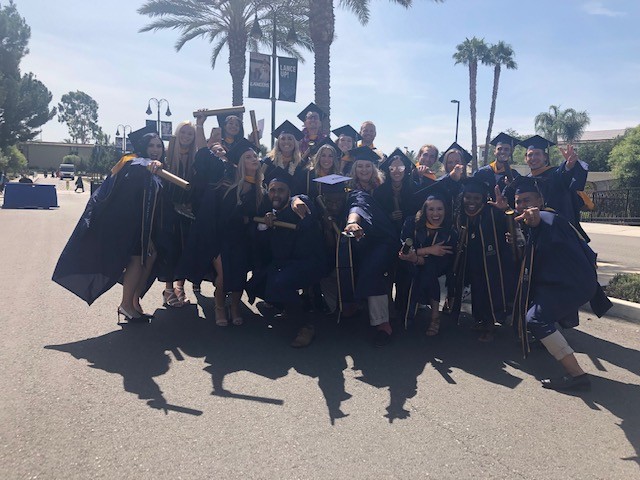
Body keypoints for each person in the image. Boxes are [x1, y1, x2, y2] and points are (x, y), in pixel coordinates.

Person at [506, 176, 610, 390]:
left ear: (540, 201)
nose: (522, 205)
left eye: (527, 200)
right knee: (535, 310)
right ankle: (544, 340)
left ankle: (577, 376)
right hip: (563, 281)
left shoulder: (548, 219)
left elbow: (543, 223)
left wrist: (535, 220)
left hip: (571, 284)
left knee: (536, 318)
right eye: (518, 201)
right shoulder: (534, 223)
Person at [52, 126, 164, 323]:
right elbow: (129, 185)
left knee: (147, 259)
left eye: (159, 146)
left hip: (143, 227)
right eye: (151, 145)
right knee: (137, 261)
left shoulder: (154, 168)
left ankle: (132, 302)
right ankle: (126, 304)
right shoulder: (133, 163)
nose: (155, 149)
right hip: (130, 226)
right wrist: (149, 164)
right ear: (143, 147)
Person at [247, 178, 328, 347]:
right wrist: (265, 226)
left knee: (280, 283)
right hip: (285, 264)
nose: (276, 194)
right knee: (256, 285)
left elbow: (302, 203)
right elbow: (266, 247)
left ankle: (306, 326)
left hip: (310, 262)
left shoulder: (298, 204)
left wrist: (296, 201)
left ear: (289, 192)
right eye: (272, 190)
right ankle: (288, 307)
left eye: (281, 190)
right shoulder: (272, 215)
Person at [339, 147, 399, 346]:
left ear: (373, 169)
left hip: (385, 240)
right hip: (362, 239)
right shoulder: (351, 191)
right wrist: (352, 222)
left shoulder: (384, 188)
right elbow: (357, 206)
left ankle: (382, 323)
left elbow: (361, 206)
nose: (364, 170)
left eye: (367, 166)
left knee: (371, 270)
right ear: (354, 169)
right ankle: (352, 305)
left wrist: (353, 221)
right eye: (360, 166)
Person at [450, 176, 515, 341]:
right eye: (468, 197)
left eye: (476, 198)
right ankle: (480, 319)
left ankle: (490, 324)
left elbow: (510, 227)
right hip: (470, 260)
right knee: (477, 291)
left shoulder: (492, 213)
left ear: (483, 199)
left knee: (489, 291)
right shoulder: (461, 214)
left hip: (491, 261)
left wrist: (505, 209)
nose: (471, 202)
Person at [219, 138, 269, 326]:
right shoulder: (231, 189)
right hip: (229, 239)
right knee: (226, 275)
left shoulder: (261, 190)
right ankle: (219, 306)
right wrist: (243, 217)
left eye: (255, 156)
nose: (254, 159)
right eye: (248, 157)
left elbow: (262, 214)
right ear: (241, 163)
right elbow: (225, 218)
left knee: (240, 275)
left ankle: (234, 306)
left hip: (248, 240)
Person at [398, 183, 457, 335]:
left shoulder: (450, 230)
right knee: (425, 269)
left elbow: (444, 258)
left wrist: (416, 257)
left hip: (439, 265)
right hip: (411, 263)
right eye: (431, 209)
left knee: (428, 269)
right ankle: (434, 316)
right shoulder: (411, 222)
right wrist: (428, 250)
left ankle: (432, 316)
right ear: (424, 210)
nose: (435, 213)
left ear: (445, 210)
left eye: (439, 209)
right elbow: (404, 250)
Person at [157, 121, 197, 308]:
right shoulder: (167, 156)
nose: (186, 136)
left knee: (185, 249)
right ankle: (168, 289)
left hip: (187, 211)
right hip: (168, 210)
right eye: (183, 132)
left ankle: (180, 287)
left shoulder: (195, 158)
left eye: (190, 134)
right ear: (177, 133)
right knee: (170, 249)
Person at [520, 135, 590, 240]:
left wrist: (569, 165)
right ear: (526, 159)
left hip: (558, 231)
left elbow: (564, 173)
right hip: (535, 231)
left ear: (545, 157)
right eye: (530, 155)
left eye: (537, 154)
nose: (533, 158)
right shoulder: (525, 180)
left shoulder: (555, 174)